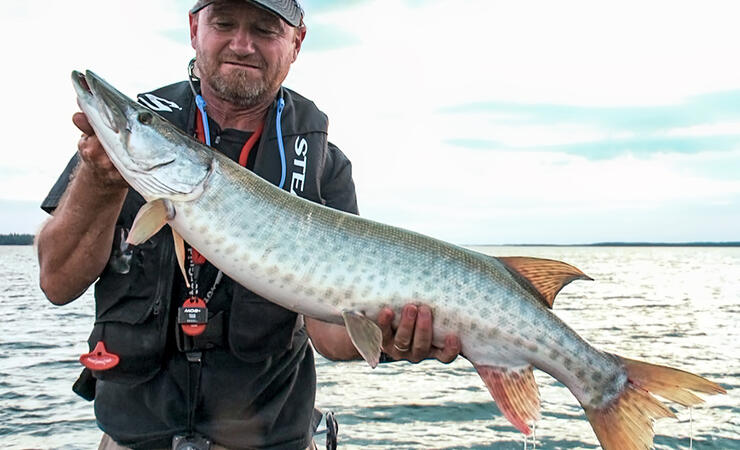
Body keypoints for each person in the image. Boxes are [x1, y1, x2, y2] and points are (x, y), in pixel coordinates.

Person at [37, 1, 461, 449]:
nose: (242, 44)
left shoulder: (323, 167)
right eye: (223, 23)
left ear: (296, 42)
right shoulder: (137, 138)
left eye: (264, 29)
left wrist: (395, 339)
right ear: (194, 29)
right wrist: (99, 180)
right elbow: (56, 282)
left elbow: (333, 336)